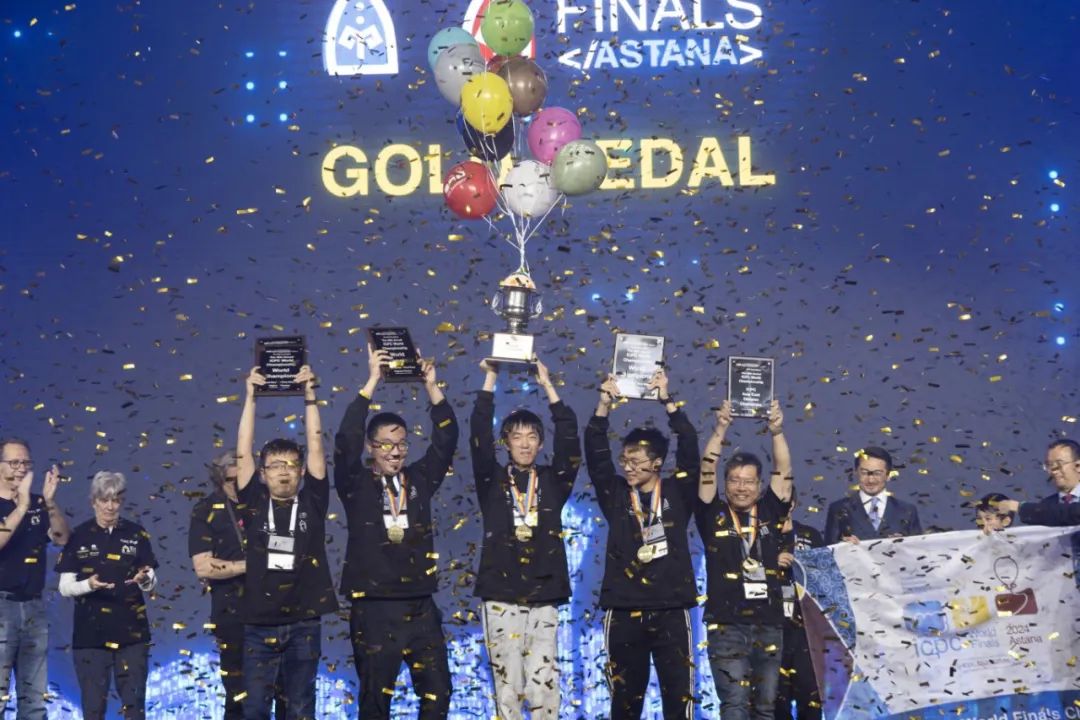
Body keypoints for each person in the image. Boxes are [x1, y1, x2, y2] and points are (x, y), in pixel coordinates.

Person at [334, 345, 458, 720]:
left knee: (438, 691)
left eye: (402, 443)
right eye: (386, 444)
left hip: (420, 605)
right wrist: (372, 380)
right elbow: (344, 442)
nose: (395, 451)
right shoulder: (355, 483)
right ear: (371, 447)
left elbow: (447, 441)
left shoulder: (418, 479)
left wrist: (431, 386)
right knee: (376, 700)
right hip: (374, 607)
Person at [584, 370, 700, 720]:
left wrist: (668, 401)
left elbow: (690, 449)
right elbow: (596, 457)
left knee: (679, 702)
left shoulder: (678, 493)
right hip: (623, 612)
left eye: (636, 461)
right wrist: (603, 406)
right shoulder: (617, 495)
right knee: (624, 704)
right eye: (625, 460)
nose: (628, 467)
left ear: (657, 462)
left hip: (672, 610)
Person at [470, 357, 580, 720]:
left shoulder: (552, 480)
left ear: (541, 443)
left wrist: (548, 386)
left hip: (544, 592)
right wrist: (490, 379)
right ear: (505, 442)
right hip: (500, 594)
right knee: (508, 684)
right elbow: (477, 438)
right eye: (517, 437)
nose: (525, 444)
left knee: (544, 682)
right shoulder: (491, 480)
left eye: (532, 437)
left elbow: (570, 443)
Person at [235, 364, 337, 720]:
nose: (283, 470)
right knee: (255, 709)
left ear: (302, 471)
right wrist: (250, 397)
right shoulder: (253, 501)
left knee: (300, 708)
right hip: (258, 623)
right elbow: (243, 450)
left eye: (291, 464)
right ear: (262, 474)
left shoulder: (313, 502)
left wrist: (310, 395)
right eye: (275, 465)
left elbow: (316, 444)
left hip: (304, 622)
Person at [696, 399, 793, 720]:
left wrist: (776, 432)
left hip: (769, 624)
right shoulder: (712, 512)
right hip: (726, 625)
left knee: (765, 708)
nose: (741, 487)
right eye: (734, 480)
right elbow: (706, 469)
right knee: (735, 704)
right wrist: (720, 429)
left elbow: (784, 470)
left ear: (759, 485)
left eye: (749, 481)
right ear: (725, 484)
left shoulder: (770, 511)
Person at [56, 471, 158, 720]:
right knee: (93, 710)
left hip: (132, 636)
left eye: (116, 500)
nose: (110, 506)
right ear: (93, 501)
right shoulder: (78, 536)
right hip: (90, 638)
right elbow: (65, 587)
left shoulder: (136, 533)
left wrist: (145, 579)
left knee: (135, 709)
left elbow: (150, 580)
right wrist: (89, 585)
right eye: (104, 500)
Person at [0, 438, 70, 719]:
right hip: (2, 605)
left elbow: (62, 538)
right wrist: (21, 507)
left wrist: (50, 503)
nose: (21, 468)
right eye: (14, 462)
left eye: (26, 463)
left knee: (34, 699)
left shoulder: (39, 504)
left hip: (34, 608)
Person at [188, 450, 251, 719]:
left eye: (242, 477)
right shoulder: (205, 509)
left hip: (272, 611)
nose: (237, 485)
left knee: (278, 689)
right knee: (237, 694)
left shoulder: (264, 504)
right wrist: (248, 565)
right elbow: (203, 566)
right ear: (220, 477)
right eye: (230, 480)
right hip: (231, 613)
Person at [774, 502, 823, 720]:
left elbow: (826, 575)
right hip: (772, 627)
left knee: (810, 695)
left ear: (793, 504)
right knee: (775, 698)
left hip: (806, 630)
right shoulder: (756, 534)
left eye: (785, 500)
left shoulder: (809, 535)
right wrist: (771, 562)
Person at [823, 447, 922, 544]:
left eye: (877, 473)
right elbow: (827, 550)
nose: (870, 480)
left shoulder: (907, 511)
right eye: (864, 473)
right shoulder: (838, 509)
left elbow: (919, 550)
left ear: (888, 475)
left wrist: (903, 545)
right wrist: (842, 547)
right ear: (856, 473)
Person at [995, 439, 1080, 527]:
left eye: (1059, 464)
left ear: (1078, 466)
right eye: (1049, 465)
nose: (1053, 471)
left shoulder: (1042, 510)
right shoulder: (1047, 504)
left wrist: (1019, 507)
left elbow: (1072, 513)